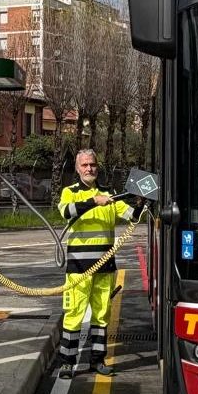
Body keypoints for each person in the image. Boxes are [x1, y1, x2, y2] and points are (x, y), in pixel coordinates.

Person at [56, 149, 141, 379]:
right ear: (77, 168)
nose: (89, 169)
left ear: (97, 166)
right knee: (73, 314)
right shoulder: (69, 192)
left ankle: (97, 361)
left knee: (101, 314)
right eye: (84, 165)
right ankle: (67, 363)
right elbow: (66, 211)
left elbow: (132, 215)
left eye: (92, 164)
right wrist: (94, 201)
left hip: (104, 266)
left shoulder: (110, 195)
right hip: (78, 268)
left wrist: (142, 202)